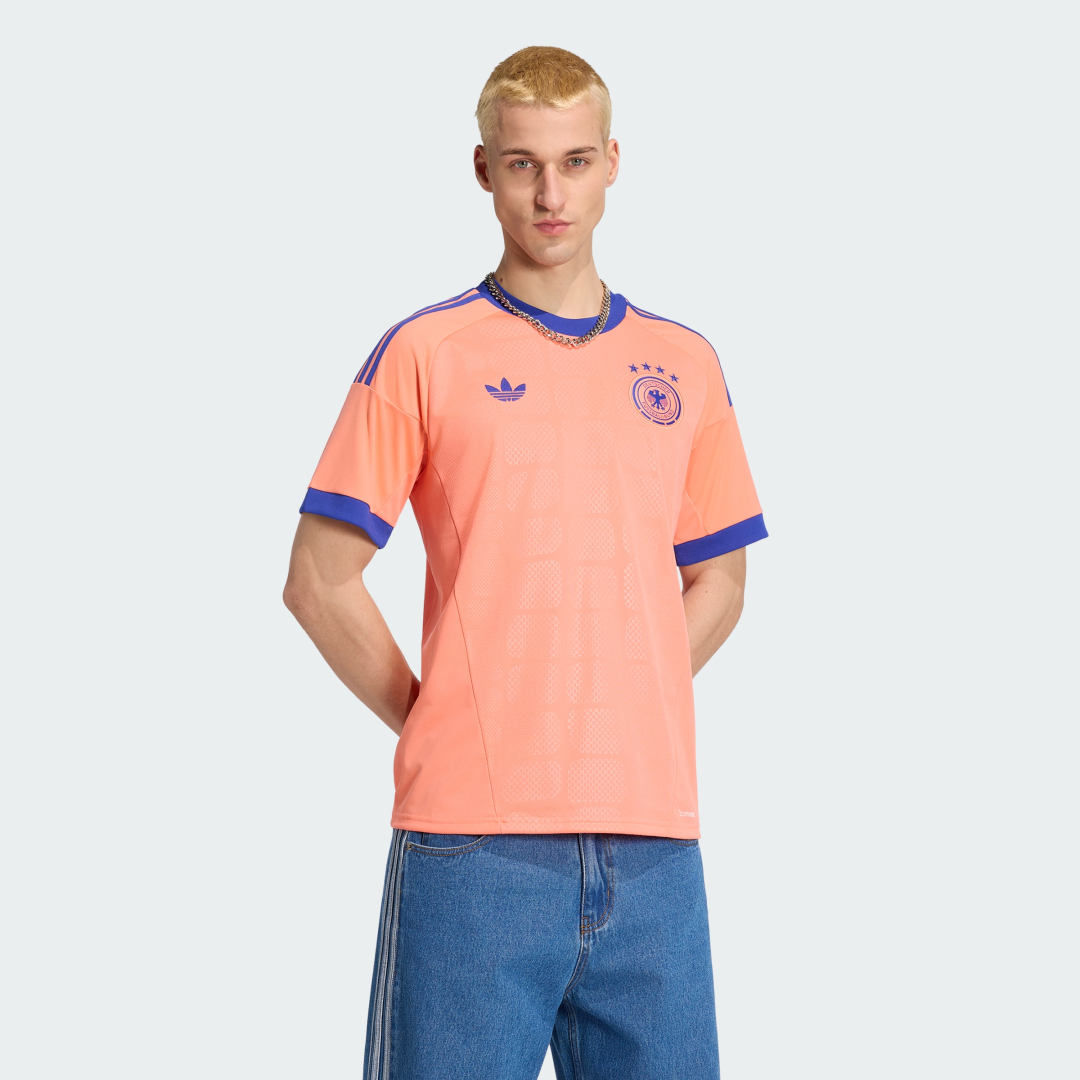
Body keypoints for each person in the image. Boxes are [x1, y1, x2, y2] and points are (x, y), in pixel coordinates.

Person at [283, 44, 769, 1080]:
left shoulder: (685, 364)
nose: (552, 194)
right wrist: (442, 715)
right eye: (523, 165)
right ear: (484, 170)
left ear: (613, 163)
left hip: (653, 843)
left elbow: (721, 581)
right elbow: (319, 577)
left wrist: (627, 687)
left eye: (575, 162)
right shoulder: (424, 353)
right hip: (473, 847)